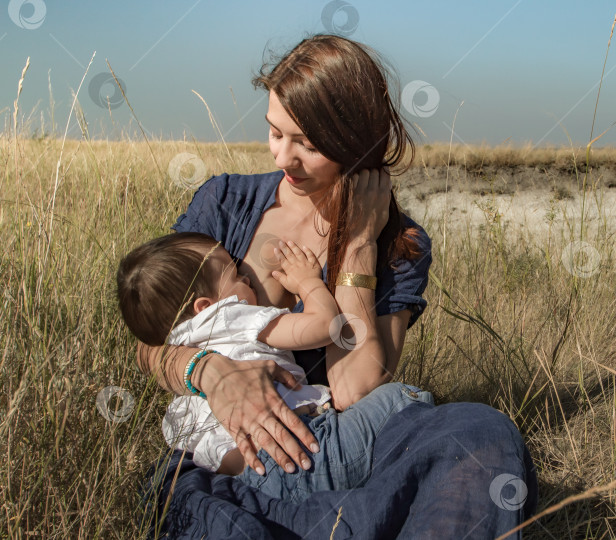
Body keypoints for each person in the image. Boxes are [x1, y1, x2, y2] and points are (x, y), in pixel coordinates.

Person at [139, 34, 537, 538]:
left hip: (337, 450)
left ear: (355, 141)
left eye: (307, 143)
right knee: (217, 515)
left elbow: (352, 387)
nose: (284, 158)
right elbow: (152, 345)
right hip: (231, 467)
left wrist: (358, 245)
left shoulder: (400, 242)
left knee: (482, 432)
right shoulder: (224, 202)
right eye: (274, 132)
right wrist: (212, 374)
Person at [118, 232, 433, 499]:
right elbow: (325, 325)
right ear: (206, 307)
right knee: (405, 398)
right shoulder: (230, 316)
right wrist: (308, 283)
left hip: (242, 484)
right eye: (235, 276)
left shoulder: (177, 353)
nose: (246, 278)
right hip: (303, 451)